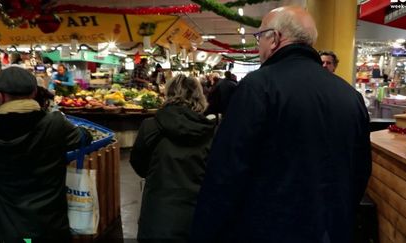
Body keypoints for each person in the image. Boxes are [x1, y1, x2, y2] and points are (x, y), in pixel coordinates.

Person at [191, 6, 371, 243]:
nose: (258, 46)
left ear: (274, 38)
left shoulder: (258, 86)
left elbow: (226, 171)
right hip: (333, 229)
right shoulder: (350, 95)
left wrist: (204, 231)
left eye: (259, 37)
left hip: (270, 230)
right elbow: (361, 170)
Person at [0, 67, 93, 243]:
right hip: (49, 226)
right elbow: (84, 138)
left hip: (5, 229)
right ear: (34, 93)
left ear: (0, 96)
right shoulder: (55, 124)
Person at [130, 74, 216, 241]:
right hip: (197, 216)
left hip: (157, 215)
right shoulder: (210, 131)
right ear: (199, 96)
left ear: (168, 94)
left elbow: (138, 164)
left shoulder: (150, 126)